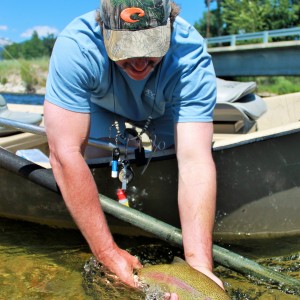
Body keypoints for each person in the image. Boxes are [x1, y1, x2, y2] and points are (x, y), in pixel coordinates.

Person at [44, 0, 223, 296]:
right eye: (125, 49)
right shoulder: (76, 46)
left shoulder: (189, 54)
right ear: (104, 29)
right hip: (101, 107)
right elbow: (64, 155)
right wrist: (107, 251)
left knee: (173, 162)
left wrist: (199, 267)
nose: (139, 62)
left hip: (164, 107)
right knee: (97, 166)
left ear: (170, 26)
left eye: (151, 47)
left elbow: (195, 161)